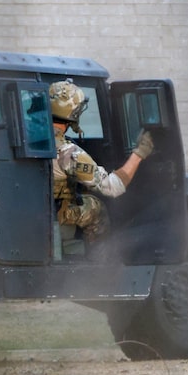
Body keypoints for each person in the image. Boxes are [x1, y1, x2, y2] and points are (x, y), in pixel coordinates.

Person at [49, 79, 154, 252]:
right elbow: (113, 187)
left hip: (42, 209)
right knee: (97, 208)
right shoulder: (68, 153)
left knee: (83, 192)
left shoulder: (36, 137)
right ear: (72, 114)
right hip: (57, 214)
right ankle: (100, 260)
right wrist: (140, 152)